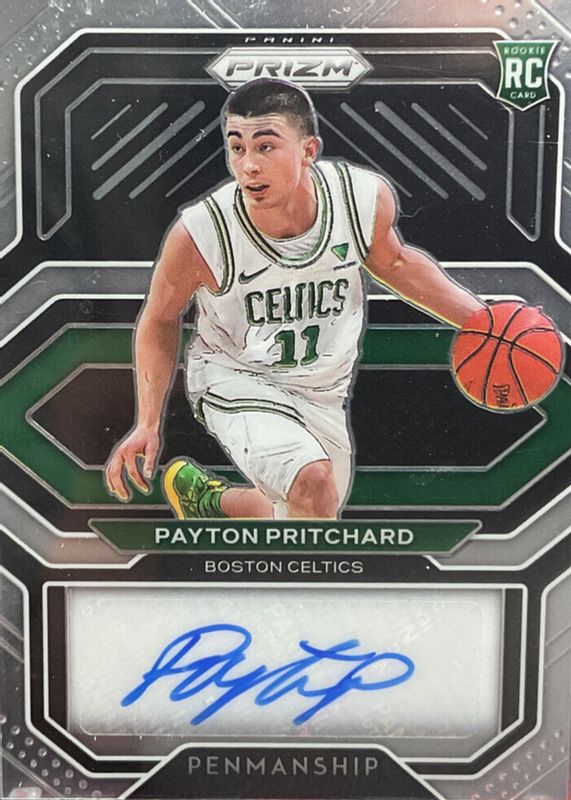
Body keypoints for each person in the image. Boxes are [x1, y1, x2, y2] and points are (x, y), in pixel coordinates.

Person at [105, 77, 485, 521]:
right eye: (237, 147)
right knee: (312, 482)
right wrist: (147, 423)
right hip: (236, 378)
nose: (248, 165)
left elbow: (396, 263)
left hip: (323, 392)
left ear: (309, 151)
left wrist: (483, 321)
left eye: (265, 147)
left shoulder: (358, 199)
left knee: (302, 506)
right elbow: (159, 318)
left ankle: (208, 502)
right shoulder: (203, 232)